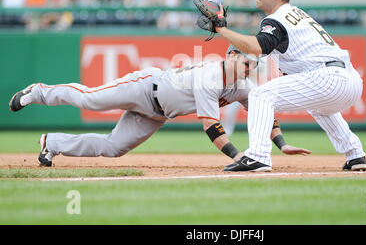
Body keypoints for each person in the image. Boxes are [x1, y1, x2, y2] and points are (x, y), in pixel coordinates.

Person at [9, 46, 310, 168]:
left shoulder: (243, 85)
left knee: (114, 148)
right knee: (90, 99)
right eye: (245, 61)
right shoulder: (210, 77)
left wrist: (281, 144)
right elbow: (212, 128)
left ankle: (53, 143)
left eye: (253, 65)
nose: (248, 68)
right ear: (231, 55)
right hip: (144, 86)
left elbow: (263, 111)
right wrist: (239, 155)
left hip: (157, 114)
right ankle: (38, 92)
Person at [207, 0, 366, 172]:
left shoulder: (277, 18)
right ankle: (355, 154)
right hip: (349, 80)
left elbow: (256, 46)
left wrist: (221, 29)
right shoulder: (296, 14)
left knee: (259, 95)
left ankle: (258, 156)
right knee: (319, 107)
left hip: (328, 77)